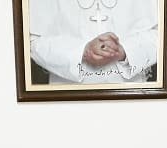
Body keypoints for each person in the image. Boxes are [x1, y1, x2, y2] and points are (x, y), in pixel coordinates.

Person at [29, 0, 158, 85]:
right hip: (67, 95)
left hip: (132, 95)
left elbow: (161, 33)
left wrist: (124, 50)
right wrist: (81, 51)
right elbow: (32, 40)